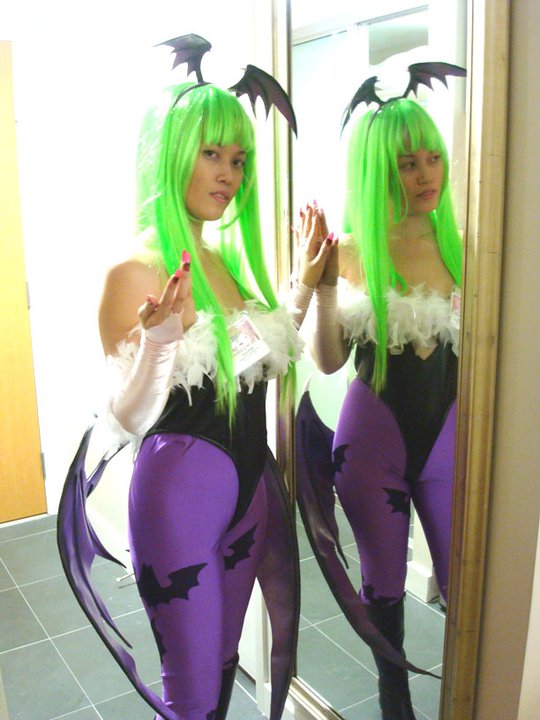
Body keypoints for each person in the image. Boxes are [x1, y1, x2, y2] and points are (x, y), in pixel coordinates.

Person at [95, 80, 306, 720]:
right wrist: (160, 342)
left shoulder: (224, 263)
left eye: (238, 160)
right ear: (171, 152)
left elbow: (244, 364)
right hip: (179, 496)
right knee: (190, 692)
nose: (229, 175)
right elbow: (126, 418)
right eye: (212, 154)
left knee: (221, 667)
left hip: (250, 487)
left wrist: (304, 287)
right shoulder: (134, 271)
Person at [296, 96, 462, 720]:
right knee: (384, 586)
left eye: (432, 159)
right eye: (406, 164)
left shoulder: (465, 247)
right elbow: (328, 361)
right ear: (379, 171)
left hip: (449, 440)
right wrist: (324, 288)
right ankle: (396, 701)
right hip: (371, 444)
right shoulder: (350, 250)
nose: (425, 175)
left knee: (464, 579)